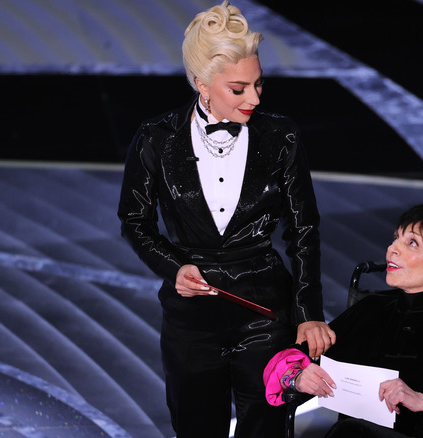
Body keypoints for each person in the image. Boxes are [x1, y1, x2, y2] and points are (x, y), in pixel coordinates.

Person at [116, 2, 335, 437]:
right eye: (239, 89)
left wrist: (309, 311)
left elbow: (303, 230)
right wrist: (173, 267)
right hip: (192, 320)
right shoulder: (156, 138)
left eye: (258, 85)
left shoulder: (281, 135)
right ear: (202, 84)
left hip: (265, 314)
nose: (254, 98)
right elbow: (134, 221)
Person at [264, 203, 423, 438]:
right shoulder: (372, 307)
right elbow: (288, 361)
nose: (392, 248)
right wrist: (296, 378)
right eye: (396, 238)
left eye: (412, 243)